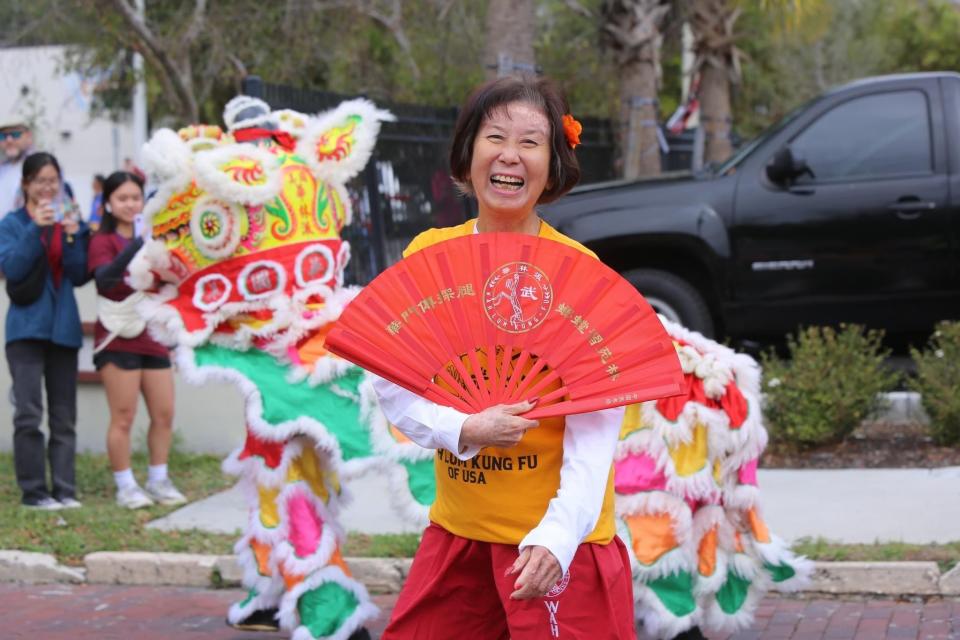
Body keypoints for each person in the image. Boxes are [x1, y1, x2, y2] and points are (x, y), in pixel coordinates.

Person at [371, 77, 636, 639]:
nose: (510, 155)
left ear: (554, 163)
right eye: (495, 136)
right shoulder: (429, 258)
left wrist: (558, 537)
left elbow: (597, 428)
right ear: (468, 156)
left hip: (554, 542)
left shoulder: (581, 274)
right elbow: (394, 387)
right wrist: (465, 425)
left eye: (531, 142)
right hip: (459, 535)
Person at [87, 171, 185, 509]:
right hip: (117, 336)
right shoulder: (102, 241)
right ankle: (125, 485)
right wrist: (138, 243)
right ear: (109, 204)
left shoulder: (156, 238)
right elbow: (104, 279)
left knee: (164, 412)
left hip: (152, 334)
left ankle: (159, 479)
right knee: (124, 415)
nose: (130, 204)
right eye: (122, 199)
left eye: (135, 197)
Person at [0, 152, 89, 510]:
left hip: (63, 330)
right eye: (40, 180)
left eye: (53, 180)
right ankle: (34, 492)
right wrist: (36, 227)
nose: (47, 187)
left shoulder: (68, 222)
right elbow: (13, 269)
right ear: (26, 185)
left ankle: (65, 489)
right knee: (28, 413)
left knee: (64, 414)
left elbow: (80, 274)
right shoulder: (12, 223)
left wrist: (72, 237)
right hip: (25, 330)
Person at [0, 120, 34, 218]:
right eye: (3, 136)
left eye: (15, 134)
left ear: (29, 136)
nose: (9, 140)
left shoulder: (41, 166)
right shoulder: (2, 168)